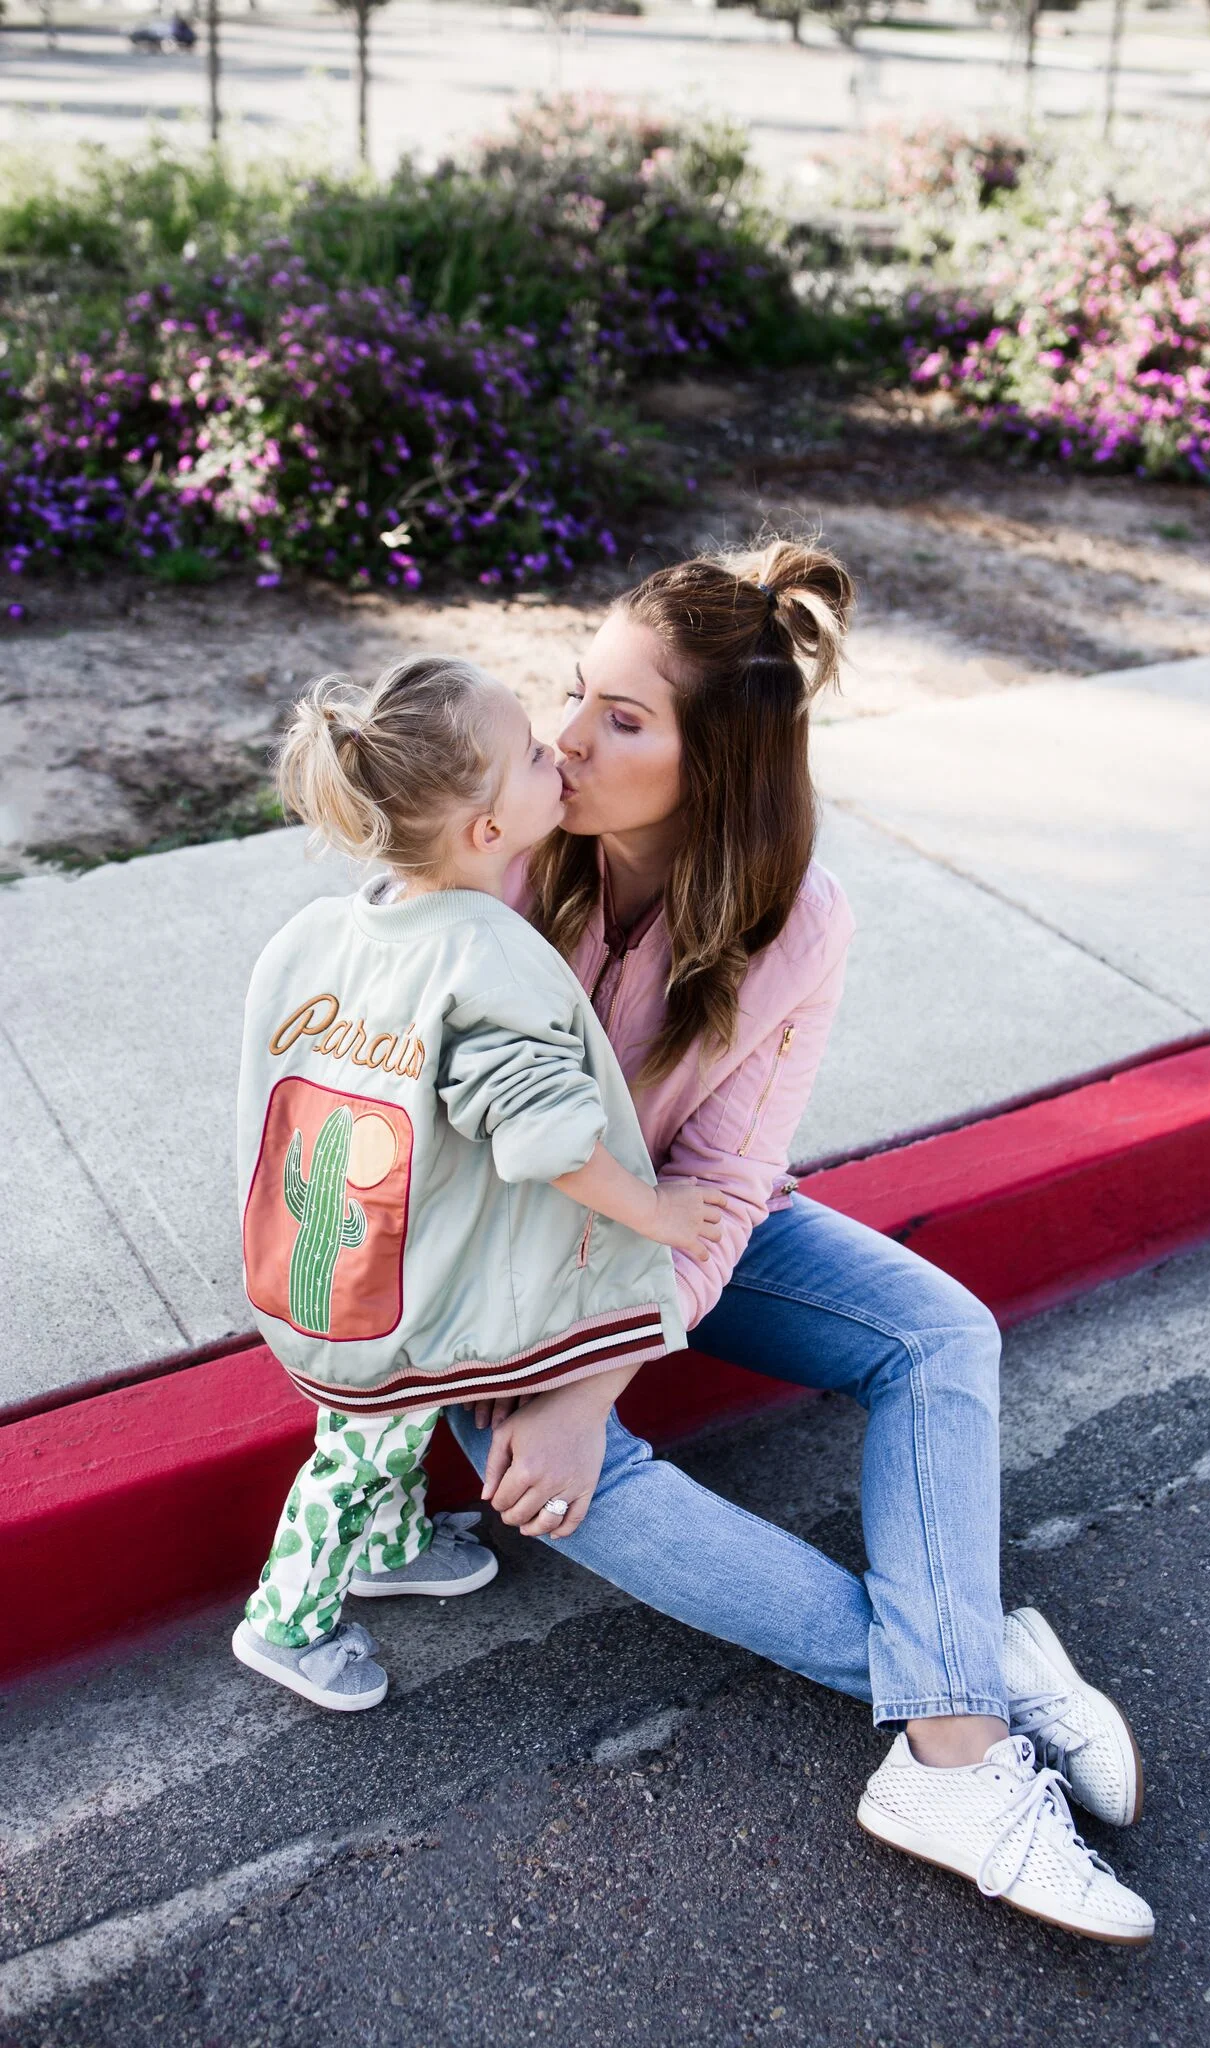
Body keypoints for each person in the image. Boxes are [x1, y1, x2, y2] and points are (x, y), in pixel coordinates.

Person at [366, 540, 1156, 1946]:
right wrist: (547, 1399)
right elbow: (430, 1115)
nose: (564, 738)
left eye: (622, 719)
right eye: (573, 692)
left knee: (939, 1331)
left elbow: (724, 1189)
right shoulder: (509, 844)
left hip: (668, 1224)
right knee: (559, 1482)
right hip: (492, 1262)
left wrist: (599, 1376)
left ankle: (947, 1745)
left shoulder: (799, 919)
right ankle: (970, 1692)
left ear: (712, 764)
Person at [231, 655, 724, 1712]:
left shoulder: (341, 929)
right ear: (487, 832)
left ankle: (394, 1545)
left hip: (337, 1263)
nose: (562, 753)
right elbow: (545, 1140)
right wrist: (658, 1212)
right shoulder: (483, 957)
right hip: (396, 1286)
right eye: (538, 756)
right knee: (355, 1454)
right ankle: (287, 1615)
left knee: (394, 1423)